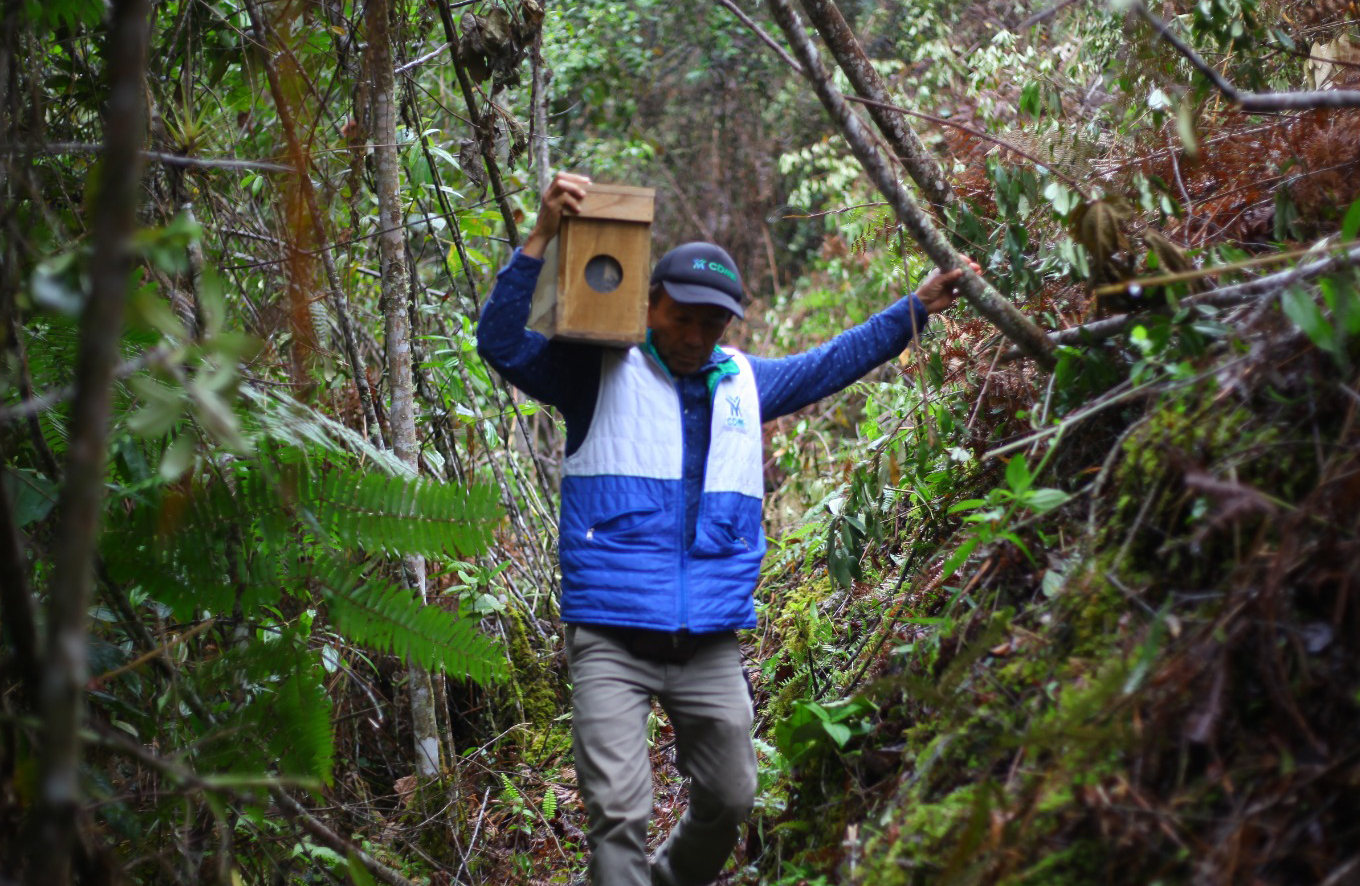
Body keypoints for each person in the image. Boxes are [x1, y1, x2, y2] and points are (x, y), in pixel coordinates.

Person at [477, 172, 976, 886]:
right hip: (612, 636)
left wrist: (915, 309)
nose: (694, 336)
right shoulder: (593, 371)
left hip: (707, 638)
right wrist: (542, 236)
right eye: (681, 317)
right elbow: (496, 340)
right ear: (650, 304)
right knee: (618, 812)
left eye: (712, 324)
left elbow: (832, 363)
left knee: (732, 797)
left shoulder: (744, 382)